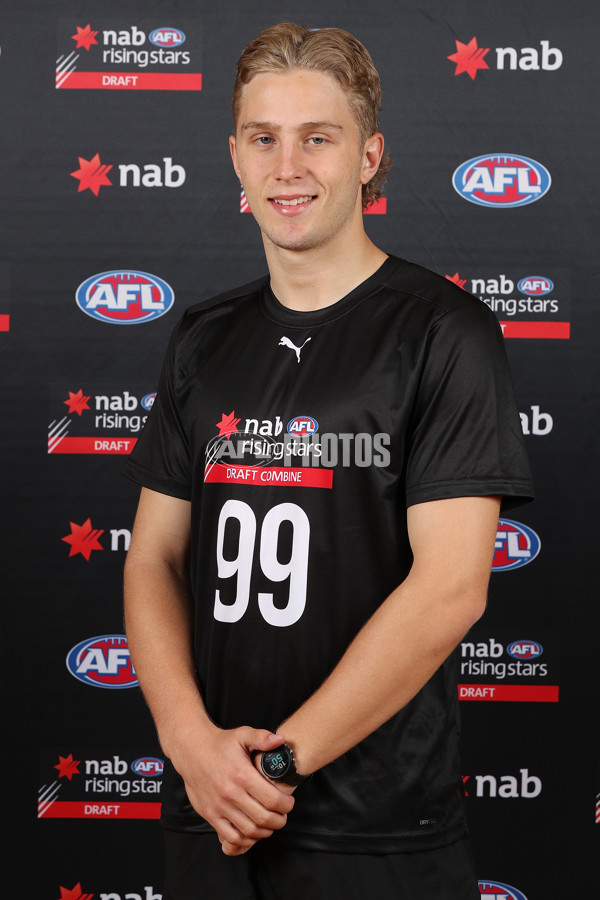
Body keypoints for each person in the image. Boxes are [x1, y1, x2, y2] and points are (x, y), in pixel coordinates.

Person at [123, 22, 534, 900]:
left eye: (319, 137)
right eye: (263, 138)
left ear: (370, 156)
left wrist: (275, 763)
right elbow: (155, 556)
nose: (287, 166)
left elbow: (452, 586)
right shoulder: (202, 335)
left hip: (375, 829)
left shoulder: (443, 331)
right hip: (212, 815)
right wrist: (193, 747)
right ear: (234, 155)